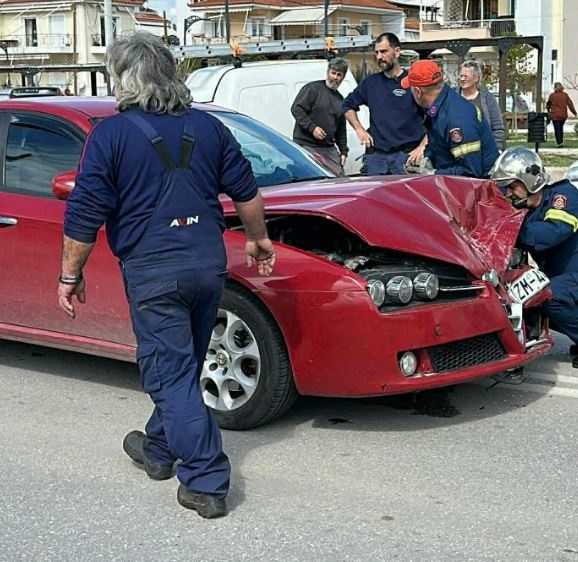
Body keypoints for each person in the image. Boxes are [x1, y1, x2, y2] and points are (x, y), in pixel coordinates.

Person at [57, 33, 276, 519]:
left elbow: (84, 213)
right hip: (206, 265)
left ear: (123, 78)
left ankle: (206, 479)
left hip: (154, 273)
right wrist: (258, 239)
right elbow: (246, 190)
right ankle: (159, 449)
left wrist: (69, 275)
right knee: (183, 364)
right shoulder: (210, 128)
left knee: (170, 372)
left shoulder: (111, 135)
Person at [490, 147, 578, 369]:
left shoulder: (564, 198)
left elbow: (550, 234)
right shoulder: (530, 211)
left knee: (546, 296)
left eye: (512, 186)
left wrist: (513, 227)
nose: (508, 194)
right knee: (524, 300)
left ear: (530, 181)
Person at [342, 32, 426, 175]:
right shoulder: (371, 83)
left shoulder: (413, 82)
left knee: (404, 197)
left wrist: (422, 147)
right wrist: (359, 129)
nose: (379, 57)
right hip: (376, 158)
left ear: (397, 52)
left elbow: (435, 116)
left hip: (406, 156)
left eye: (384, 51)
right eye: (377, 52)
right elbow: (347, 105)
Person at [403, 59, 498, 178]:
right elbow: (440, 144)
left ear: (418, 92)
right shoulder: (441, 105)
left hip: (479, 189)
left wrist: (432, 174)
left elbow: (471, 171)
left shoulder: (458, 120)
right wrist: (427, 159)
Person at [290, 57, 350, 175]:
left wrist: (343, 151)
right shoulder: (313, 89)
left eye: (339, 75)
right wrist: (312, 128)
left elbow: (341, 129)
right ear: (328, 72)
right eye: (333, 73)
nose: (335, 77)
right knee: (311, 177)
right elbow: (297, 109)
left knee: (338, 178)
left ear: (343, 77)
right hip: (306, 144)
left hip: (328, 147)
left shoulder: (340, 100)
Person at [457, 59, 505, 151]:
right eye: (461, 76)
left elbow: (498, 128)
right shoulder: (453, 97)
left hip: (484, 152)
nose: (462, 79)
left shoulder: (487, 98)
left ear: (476, 78)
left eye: (466, 76)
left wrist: (496, 149)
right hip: (457, 153)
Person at [545, 82, 577, 148]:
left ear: (555, 88)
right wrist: (574, 112)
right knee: (561, 128)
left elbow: (548, 104)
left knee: (557, 129)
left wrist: (549, 111)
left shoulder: (552, 95)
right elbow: (570, 104)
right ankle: (561, 142)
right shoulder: (565, 95)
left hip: (555, 115)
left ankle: (559, 143)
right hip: (563, 115)